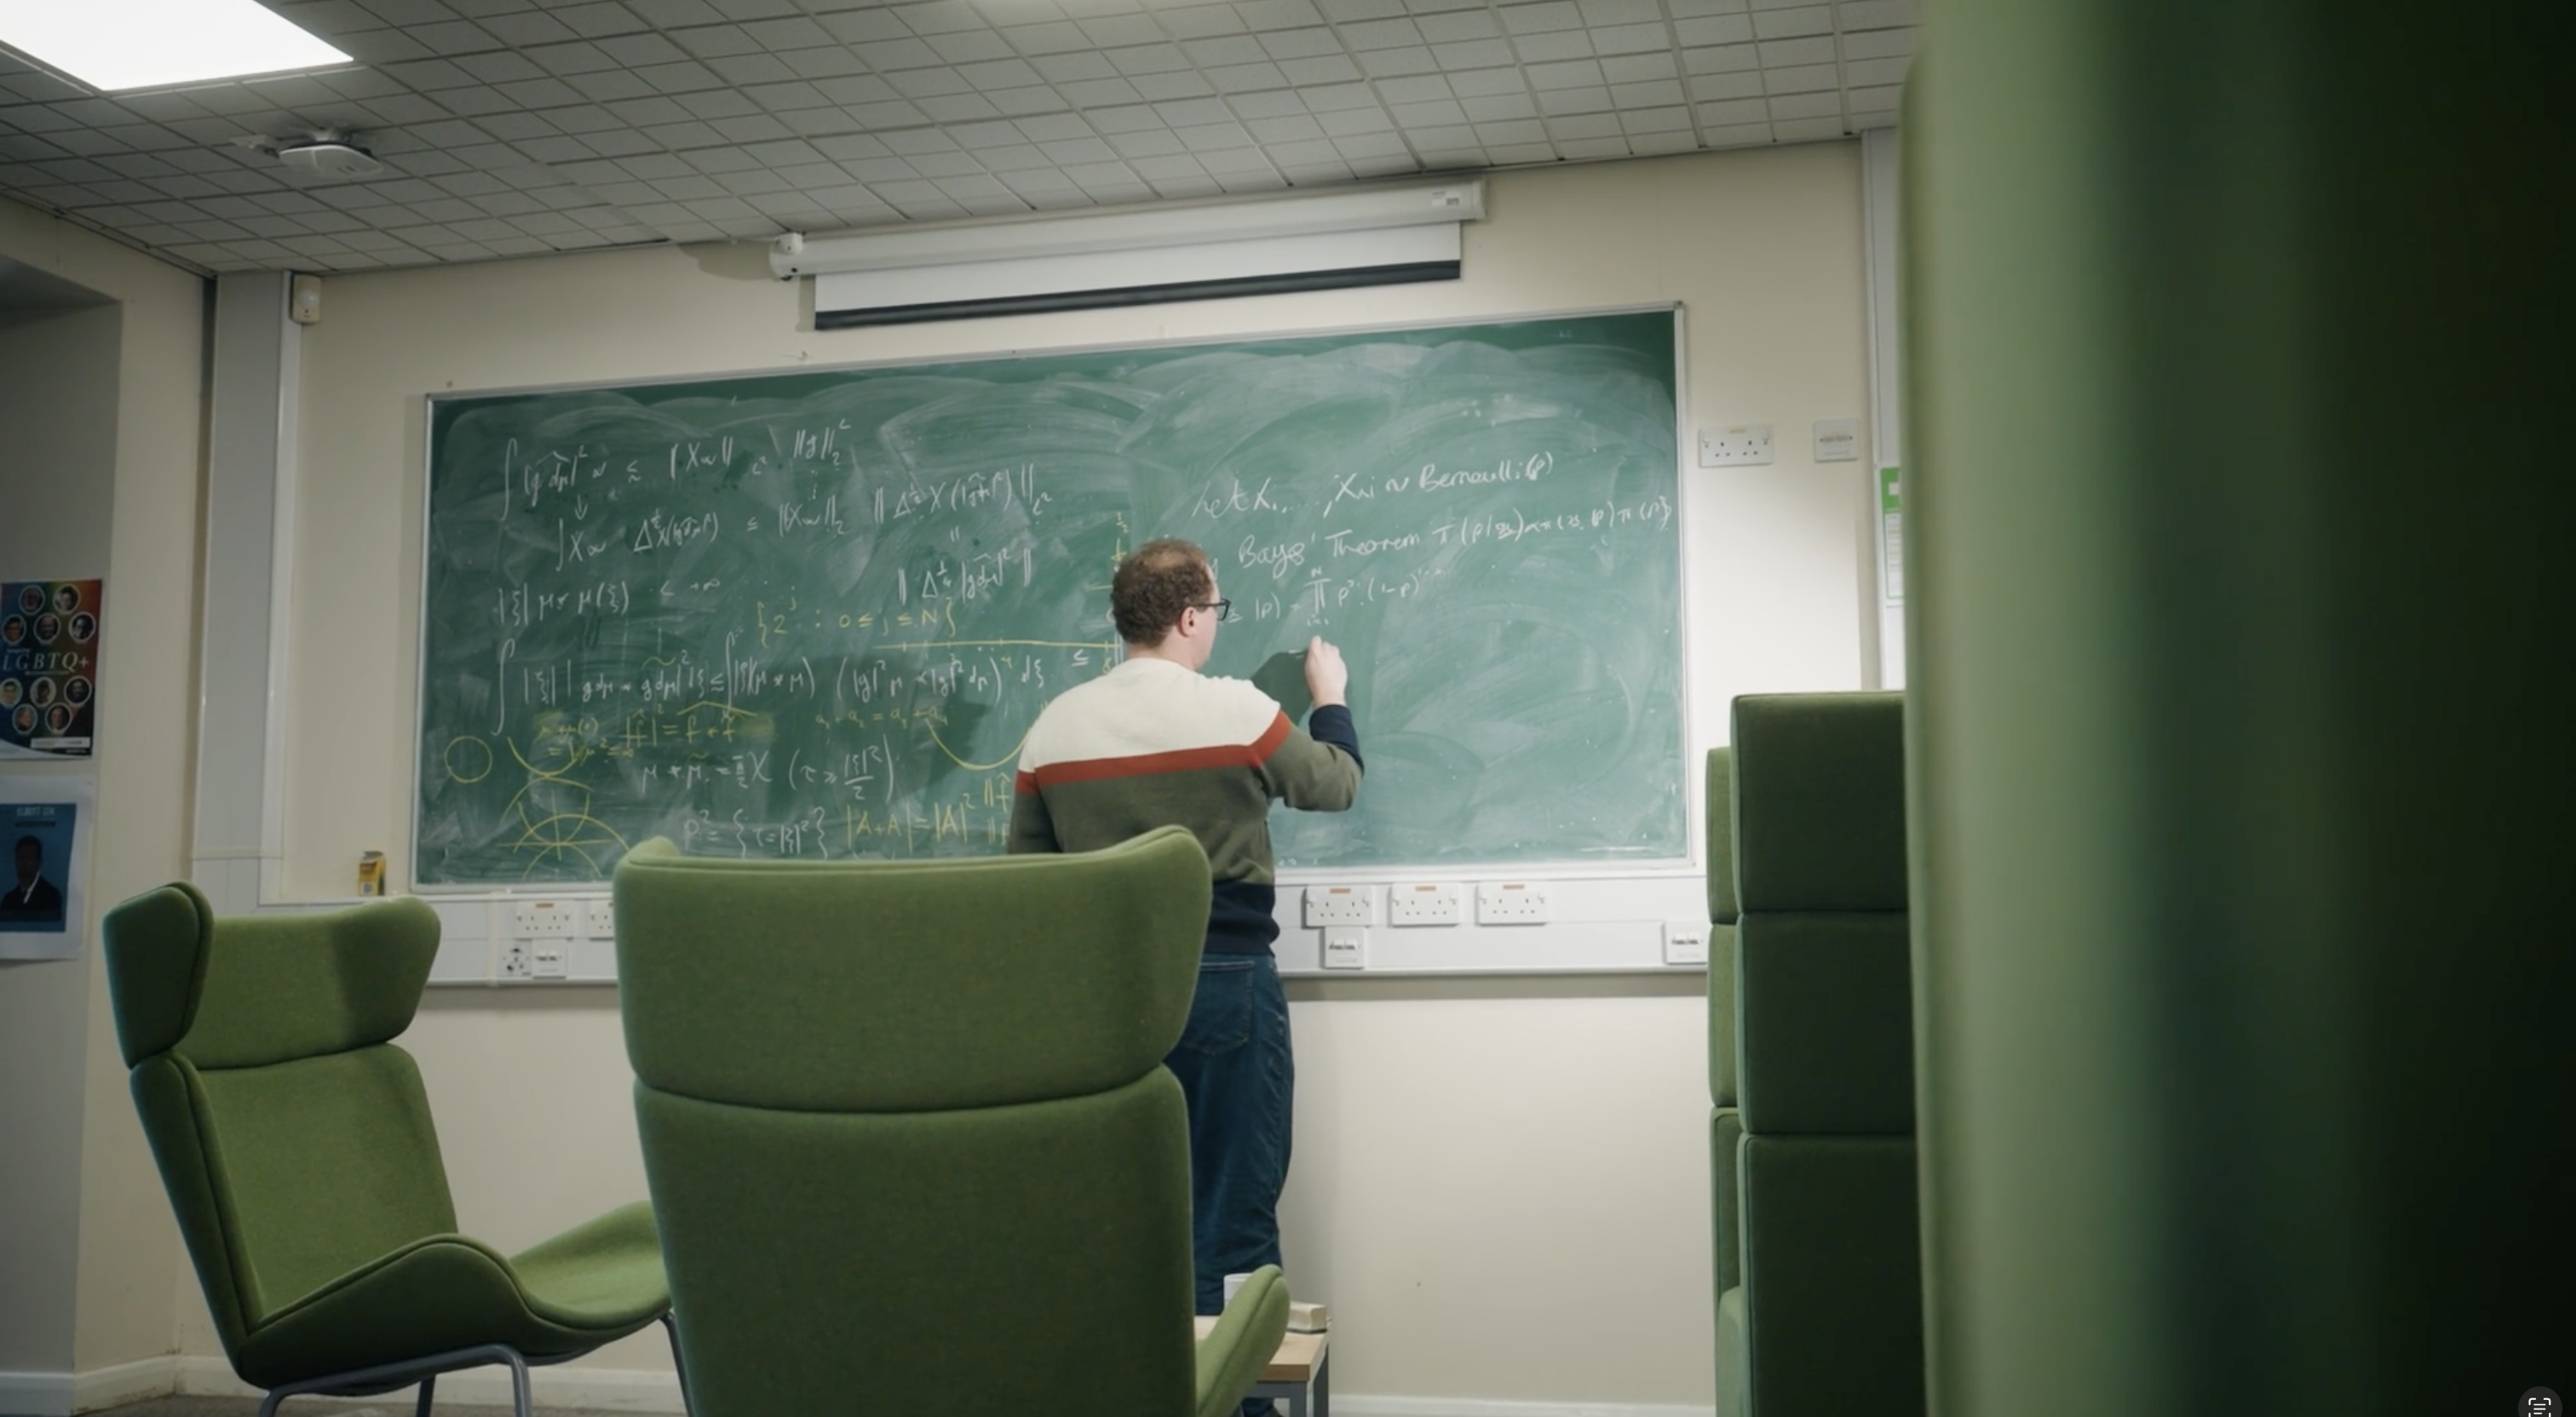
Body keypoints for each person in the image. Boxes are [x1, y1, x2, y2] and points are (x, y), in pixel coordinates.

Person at [1009, 536, 1362, 1341]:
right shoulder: (1237, 709)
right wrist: (1329, 696)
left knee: (1120, 1209)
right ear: (1191, 616)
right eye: (1217, 611)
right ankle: (1237, 1397)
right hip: (1223, 981)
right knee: (1232, 1210)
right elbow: (1336, 783)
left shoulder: (1054, 728)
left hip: (1099, 998)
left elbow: (1026, 882)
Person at [3, 835, 65, 923]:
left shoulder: (51, 896)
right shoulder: (8, 900)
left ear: (39, 862)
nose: (24, 864)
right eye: (20, 859)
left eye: (29, 859)